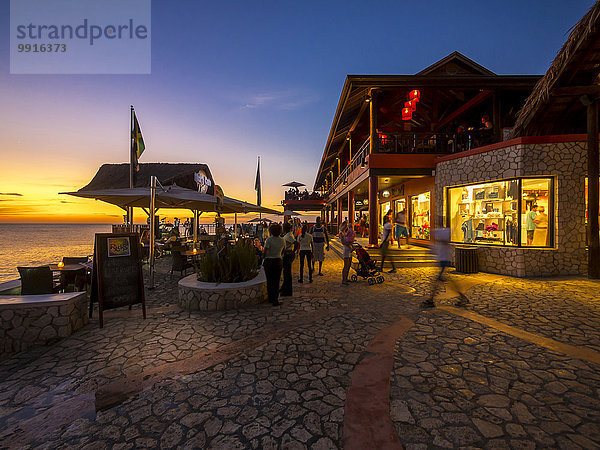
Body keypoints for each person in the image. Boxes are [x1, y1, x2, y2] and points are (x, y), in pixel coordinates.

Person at [422, 228, 469, 308]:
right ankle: (462, 297)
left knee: (438, 282)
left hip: (444, 260)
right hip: (441, 260)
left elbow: (445, 241)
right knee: (447, 282)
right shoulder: (439, 231)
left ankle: (431, 300)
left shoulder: (445, 231)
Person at [263, 223, 284, 306]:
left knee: (269, 280)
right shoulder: (282, 240)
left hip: (269, 261)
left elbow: (265, 251)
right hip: (278, 261)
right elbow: (283, 251)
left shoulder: (269, 240)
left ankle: (270, 298)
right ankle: (275, 299)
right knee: (276, 281)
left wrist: (263, 258)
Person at [280, 222, 297, 296]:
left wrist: (293, 252)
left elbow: (296, 243)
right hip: (287, 254)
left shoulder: (288, 236)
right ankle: (284, 288)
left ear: (285, 228)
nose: (282, 228)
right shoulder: (288, 235)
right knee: (286, 273)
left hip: (288, 255)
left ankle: (287, 291)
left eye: (283, 227)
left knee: (287, 273)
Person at [339, 221, 354, 285]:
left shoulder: (345, 232)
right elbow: (343, 242)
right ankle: (343, 279)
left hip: (349, 248)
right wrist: (350, 244)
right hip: (346, 249)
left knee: (349, 264)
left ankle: (346, 277)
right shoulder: (341, 233)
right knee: (346, 265)